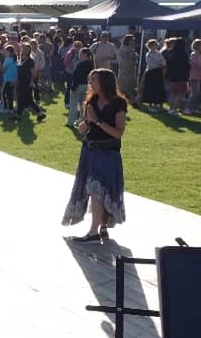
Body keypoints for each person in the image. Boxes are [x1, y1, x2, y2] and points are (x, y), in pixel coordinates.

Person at [63, 69, 127, 242]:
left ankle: (100, 227)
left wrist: (98, 121)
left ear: (105, 82)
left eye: (94, 80)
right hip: (90, 151)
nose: (91, 84)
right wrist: (86, 122)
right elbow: (83, 129)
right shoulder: (91, 101)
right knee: (94, 189)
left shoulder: (118, 103)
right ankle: (95, 230)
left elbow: (118, 133)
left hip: (108, 153)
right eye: (90, 80)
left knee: (102, 190)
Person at [14, 44, 47, 122]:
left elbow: (33, 73)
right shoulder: (21, 59)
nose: (23, 50)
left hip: (26, 82)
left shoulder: (30, 60)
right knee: (27, 99)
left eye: (25, 49)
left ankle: (18, 115)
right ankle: (40, 114)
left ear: (29, 50)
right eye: (22, 48)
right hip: (20, 82)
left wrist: (32, 82)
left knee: (22, 98)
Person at [65, 45, 93, 127]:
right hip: (87, 86)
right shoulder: (92, 64)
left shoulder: (80, 65)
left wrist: (73, 87)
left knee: (73, 105)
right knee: (83, 105)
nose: (79, 55)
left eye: (80, 53)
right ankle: (82, 121)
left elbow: (76, 77)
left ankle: (70, 122)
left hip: (78, 86)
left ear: (85, 54)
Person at [138, 38, 166, 110]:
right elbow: (153, 64)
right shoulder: (148, 54)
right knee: (150, 89)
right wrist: (160, 63)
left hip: (158, 72)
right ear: (149, 46)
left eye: (155, 45)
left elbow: (163, 62)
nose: (154, 46)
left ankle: (158, 104)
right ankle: (150, 104)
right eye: (152, 45)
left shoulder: (159, 53)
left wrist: (161, 63)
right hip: (151, 72)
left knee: (159, 88)